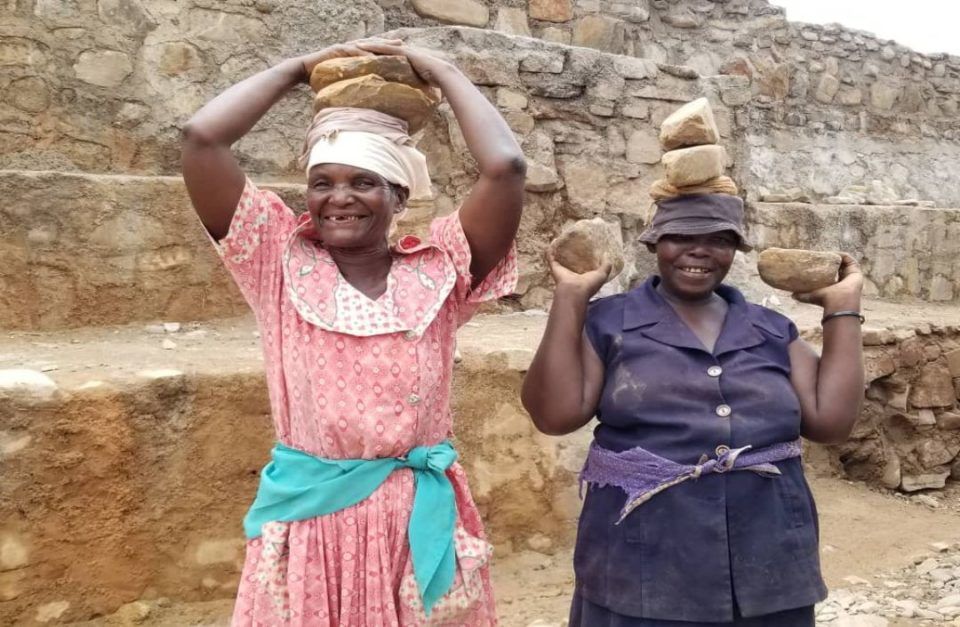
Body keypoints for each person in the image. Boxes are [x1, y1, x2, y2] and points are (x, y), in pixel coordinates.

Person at [181, 37, 525, 626]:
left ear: (397, 195)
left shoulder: (440, 268)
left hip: (417, 515)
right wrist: (297, 68)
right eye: (322, 182)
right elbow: (200, 139)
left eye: (363, 182)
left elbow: (506, 168)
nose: (338, 198)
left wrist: (441, 72)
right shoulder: (276, 259)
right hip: (311, 519)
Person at [521, 193, 864, 626]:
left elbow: (832, 423)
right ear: (653, 244)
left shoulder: (770, 329)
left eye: (719, 239)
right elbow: (554, 415)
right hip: (642, 561)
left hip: (769, 557)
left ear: (736, 250)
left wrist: (843, 307)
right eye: (680, 235)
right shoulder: (609, 323)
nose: (699, 250)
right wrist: (570, 297)